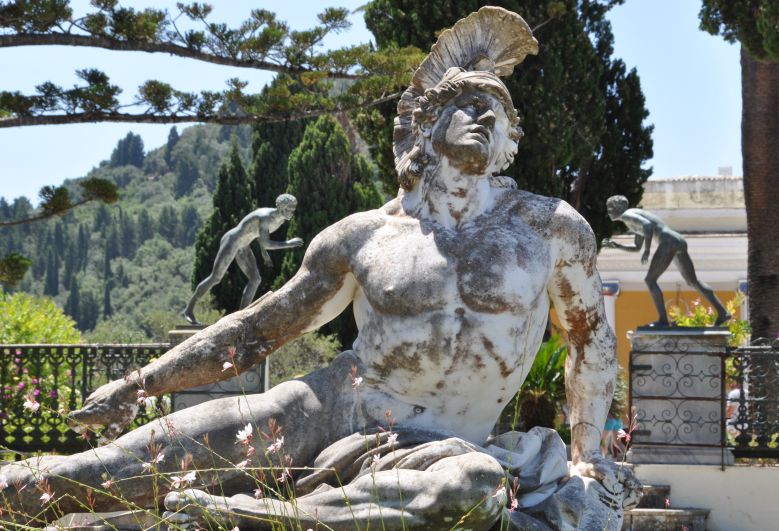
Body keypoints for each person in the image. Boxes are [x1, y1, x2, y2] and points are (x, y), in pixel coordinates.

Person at [2, 8, 639, 530]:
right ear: (428, 127)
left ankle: (244, 516)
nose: (482, 117)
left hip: (452, 439)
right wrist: (138, 385)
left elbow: (589, 341)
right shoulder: (366, 235)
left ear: (509, 143)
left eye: (495, 112)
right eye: (467, 105)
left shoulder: (548, 228)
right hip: (335, 403)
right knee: (131, 460)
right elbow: (254, 332)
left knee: (466, 491)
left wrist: (586, 457)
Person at [603, 195, 731, 327]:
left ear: (619, 207)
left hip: (668, 241)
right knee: (692, 281)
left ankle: (663, 321)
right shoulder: (632, 218)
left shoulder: (627, 215)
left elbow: (647, 226)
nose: (609, 211)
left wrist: (647, 250)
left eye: (610, 207)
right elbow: (636, 247)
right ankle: (722, 312)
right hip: (677, 240)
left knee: (650, 280)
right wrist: (618, 246)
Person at [181, 193, 303, 325]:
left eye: (293, 208)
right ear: (280, 207)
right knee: (215, 278)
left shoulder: (280, 220)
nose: (291, 211)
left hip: (244, 245)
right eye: (289, 208)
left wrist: (264, 255)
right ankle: (188, 310)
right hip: (232, 241)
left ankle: (241, 317)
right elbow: (267, 243)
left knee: (255, 279)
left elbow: (260, 237)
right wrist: (288, 243)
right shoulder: (266, 217)